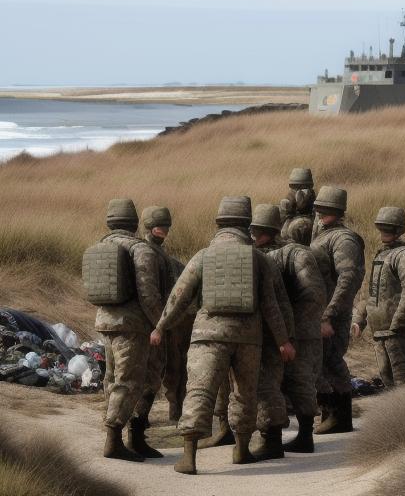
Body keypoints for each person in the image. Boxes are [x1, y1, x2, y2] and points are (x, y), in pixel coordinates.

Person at [150, 196, 295, 475]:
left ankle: (189, 457)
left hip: (208, 336)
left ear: (219, 224)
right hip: (248, 338)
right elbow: (271, 306)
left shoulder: (203, 256)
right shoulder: (259, 259)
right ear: (246, 224)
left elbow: (179, 297)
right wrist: (283, 341)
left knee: (200, 390)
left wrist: (161, 327)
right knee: (244, 394)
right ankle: (241, 450)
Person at [251, 204, 326, 453]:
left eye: (257, 230)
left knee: (298, 382)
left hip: (298, 333)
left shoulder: (295, 254)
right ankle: (276, 436)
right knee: (273, 384)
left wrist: (290, 328)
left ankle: (302, 436)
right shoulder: (257, 254)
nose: (254, 235)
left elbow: (313, 294)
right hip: (274, 333)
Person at [94, 199, 164, 462]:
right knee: (130, 381)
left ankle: (130, 439)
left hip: (106, 323)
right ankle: (114, 441)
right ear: (135, 223)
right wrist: (161, 324)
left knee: (112, 379)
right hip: (132, 327)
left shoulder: (100, 247)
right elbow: (148, 295)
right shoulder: (140, 250)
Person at [128, 206, 192, 458]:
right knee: (154, 376)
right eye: (160, 226)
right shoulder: (149, 254)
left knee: (158, 373)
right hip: (155, 325)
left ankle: (139, 428)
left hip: (147, 324)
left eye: (166, 226)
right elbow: (152, 295)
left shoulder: (149, 253)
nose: (164, 230)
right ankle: (137, 433)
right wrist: (161, 325)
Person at [352, 207, 405, 386]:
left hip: (396, 333)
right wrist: (358, 320)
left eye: (387, 227)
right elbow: (370, 294)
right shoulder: (383, 255)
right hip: (380, 332)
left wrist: (399, 323)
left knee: (403, 380)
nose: (384, 231)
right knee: (388, 379)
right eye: (382, 227)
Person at [310, 186, 365, 434]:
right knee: (321, 362)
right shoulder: (323, 235)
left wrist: (329, 313)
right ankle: (330, 414)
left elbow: (348, 278)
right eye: (319, 209)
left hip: (332, 313)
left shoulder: (343, 239)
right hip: (320, 311)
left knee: (331, 361)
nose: (320, 213)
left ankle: (340, 416)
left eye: (325, 210)